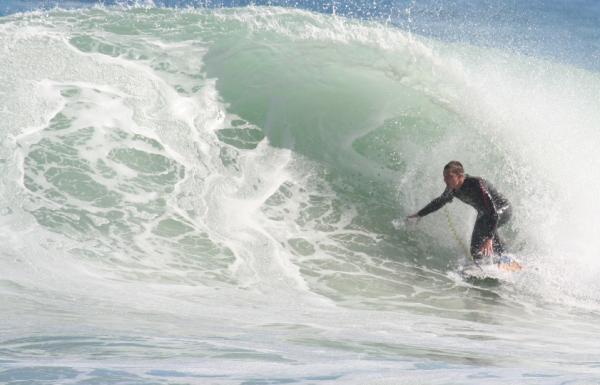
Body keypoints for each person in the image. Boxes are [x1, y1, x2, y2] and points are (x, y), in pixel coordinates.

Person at [408, 161, 511, 261]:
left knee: (488, 232)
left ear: (460, 175)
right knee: (474, 249)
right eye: (444, 177)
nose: (445, 180)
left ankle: (506, 257)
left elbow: (493, 213)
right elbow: (439, 202)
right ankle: (482, 265)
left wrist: (489, 239)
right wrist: (419, 214)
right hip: (485, 215)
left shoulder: (477, 183)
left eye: (449, 177)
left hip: (502, 209)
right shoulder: (451, 189)